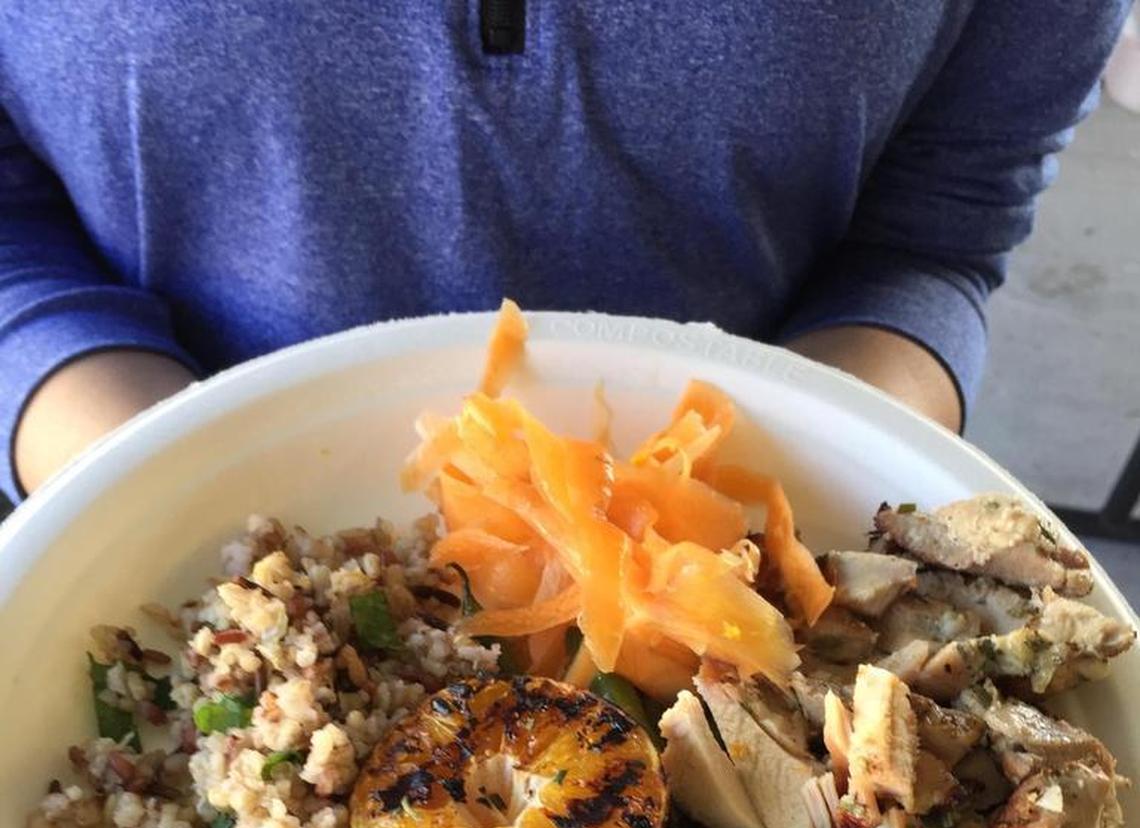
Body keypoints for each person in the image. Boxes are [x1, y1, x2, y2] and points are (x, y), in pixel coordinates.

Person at [1, 1, 1128, 501]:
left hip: (751, 565)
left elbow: (936, 228)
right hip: (162, 554)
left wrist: (786, 521)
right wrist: (149, 507)